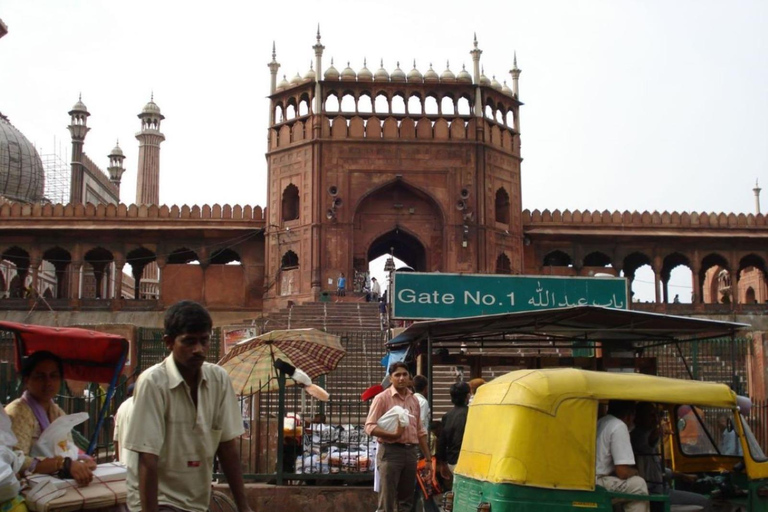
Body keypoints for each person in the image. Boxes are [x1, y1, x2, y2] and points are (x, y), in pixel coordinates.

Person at [123, 301, 253, 512]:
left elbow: (227, 447)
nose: (198, 350)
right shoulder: (153, 382)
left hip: (196, 501)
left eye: (204, 340)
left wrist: (244, 507)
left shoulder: (218, 379)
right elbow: (147, 457)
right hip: (158, 500)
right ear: (169, 342)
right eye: (189, 342)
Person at [5, 351, 95, 487]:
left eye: (54, 376)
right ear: (26, 380)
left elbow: (66, 446)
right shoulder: (18, 412)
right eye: (40, 377)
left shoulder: (58, 412)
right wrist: (61, 464)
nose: (48, 383)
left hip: (57, 484)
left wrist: (84, 459)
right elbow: (17, 460)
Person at [365, 362, 431, 512]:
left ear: (409, 378)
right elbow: (369, 426)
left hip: (411, 452)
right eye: (397, 375)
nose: (401, 378)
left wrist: (427, 459)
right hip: (390, 452)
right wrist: (393, 434)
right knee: (387, 501)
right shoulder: (382, 398)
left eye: (404, 374)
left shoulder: (414, 400)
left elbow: (420, 431)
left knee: (406, 502)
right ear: (391, 378)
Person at [631, 402, 711, 512]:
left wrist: (683, 475)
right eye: (651, 415)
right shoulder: (638, 436)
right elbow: (647, 441)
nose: (655, 419)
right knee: (704, 502)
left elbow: (659, 469)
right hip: (654, 493)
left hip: (661, 489)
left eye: (657, 415)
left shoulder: (648, 436)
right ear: (638, 417)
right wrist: (659, 430)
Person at [595, 400, 649, 512]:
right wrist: (635, 472)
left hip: (592, 479)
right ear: (630, 415)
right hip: (599, 483)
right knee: (638, 485)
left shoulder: (601, 422)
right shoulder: (619, 425)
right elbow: (622, 471)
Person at [436, 382, 470, 477]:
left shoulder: (447, 416)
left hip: (452, 461)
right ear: (467, 396)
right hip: (467, 460)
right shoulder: (471, 414)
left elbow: (442, 442)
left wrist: (442, 463)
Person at [112, 383, 135, 463]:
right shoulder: (140, 404)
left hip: (123, 461)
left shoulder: (121, 407)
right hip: (136, 462)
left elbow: (116, 438)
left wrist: (118, 460)